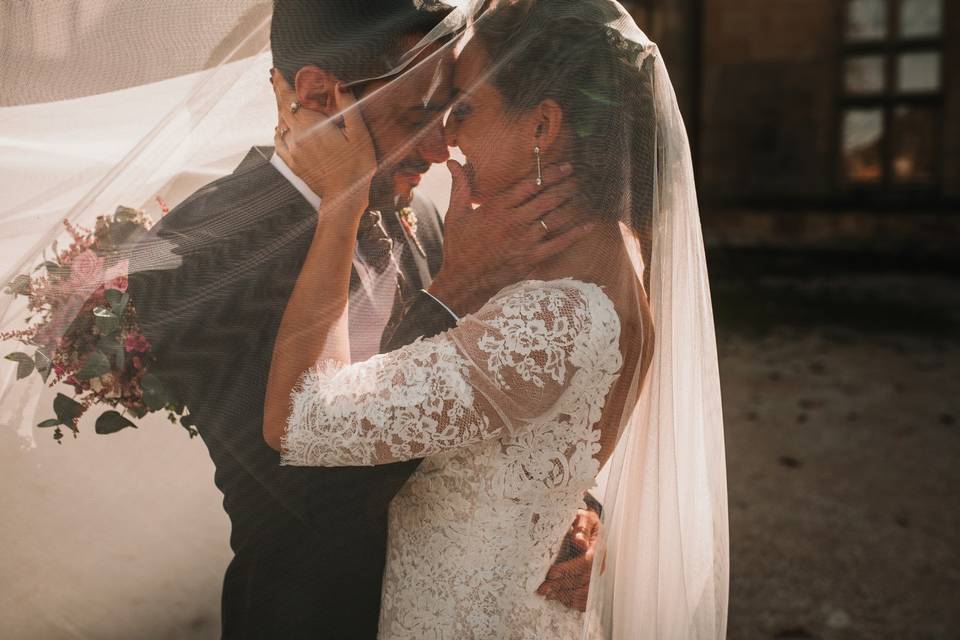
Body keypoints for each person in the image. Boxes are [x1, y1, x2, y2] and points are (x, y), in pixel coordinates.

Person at [128, 1, 598, 637]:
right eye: (418, 115)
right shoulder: (197, 248)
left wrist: (567, 509)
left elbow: (495, 398)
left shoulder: (428, 219)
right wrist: (457, 288)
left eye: (451, 113)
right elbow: (316, 493)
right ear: (320, 93)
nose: (441, 145)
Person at [261, 0, 710, 637]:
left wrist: (343, 198)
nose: (448, 143)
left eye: (465, 109)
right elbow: (542, 453)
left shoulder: (550, 319)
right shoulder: (616, 263)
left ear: (542, 127)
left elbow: (297, 419)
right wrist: (569, 513)